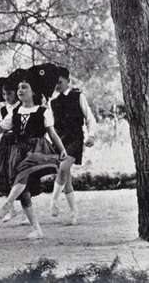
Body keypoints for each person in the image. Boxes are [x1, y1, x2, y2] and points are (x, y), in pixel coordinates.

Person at [0, 69, 67, 239]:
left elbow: (52, 133)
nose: (20, 91)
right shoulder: (15, 112)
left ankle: (7, 204)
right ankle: (37, 229)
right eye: (19, 88)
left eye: (24, 88)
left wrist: (62, 149)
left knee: (25, 170)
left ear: (33, 91)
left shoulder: (43, 111)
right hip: (18, 152)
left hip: (37, 149)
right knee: (24, 191)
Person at [49, 66, 97, 225]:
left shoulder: (78, 95)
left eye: (60, 82)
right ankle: (73, 213)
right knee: (65, 177)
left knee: (63, 168)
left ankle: (53, 201)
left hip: (75, 139)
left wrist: (91, 135)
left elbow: (89, 116)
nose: (57, 85)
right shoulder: (53, 101)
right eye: (55, 83)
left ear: (68, 81)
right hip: (60, 140)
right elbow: (49, 124)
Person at [0, 75, 22, 223]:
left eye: (9, 93)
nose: (6, 97)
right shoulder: (3, 109)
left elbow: (1, 129)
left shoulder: (21, 108)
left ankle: (25, 212)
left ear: (15, 93)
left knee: (19, 178)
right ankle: (12, 210)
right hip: (5, 145)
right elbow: (1, 134)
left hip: (18, 144)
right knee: (5, 177)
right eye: (4, 94)